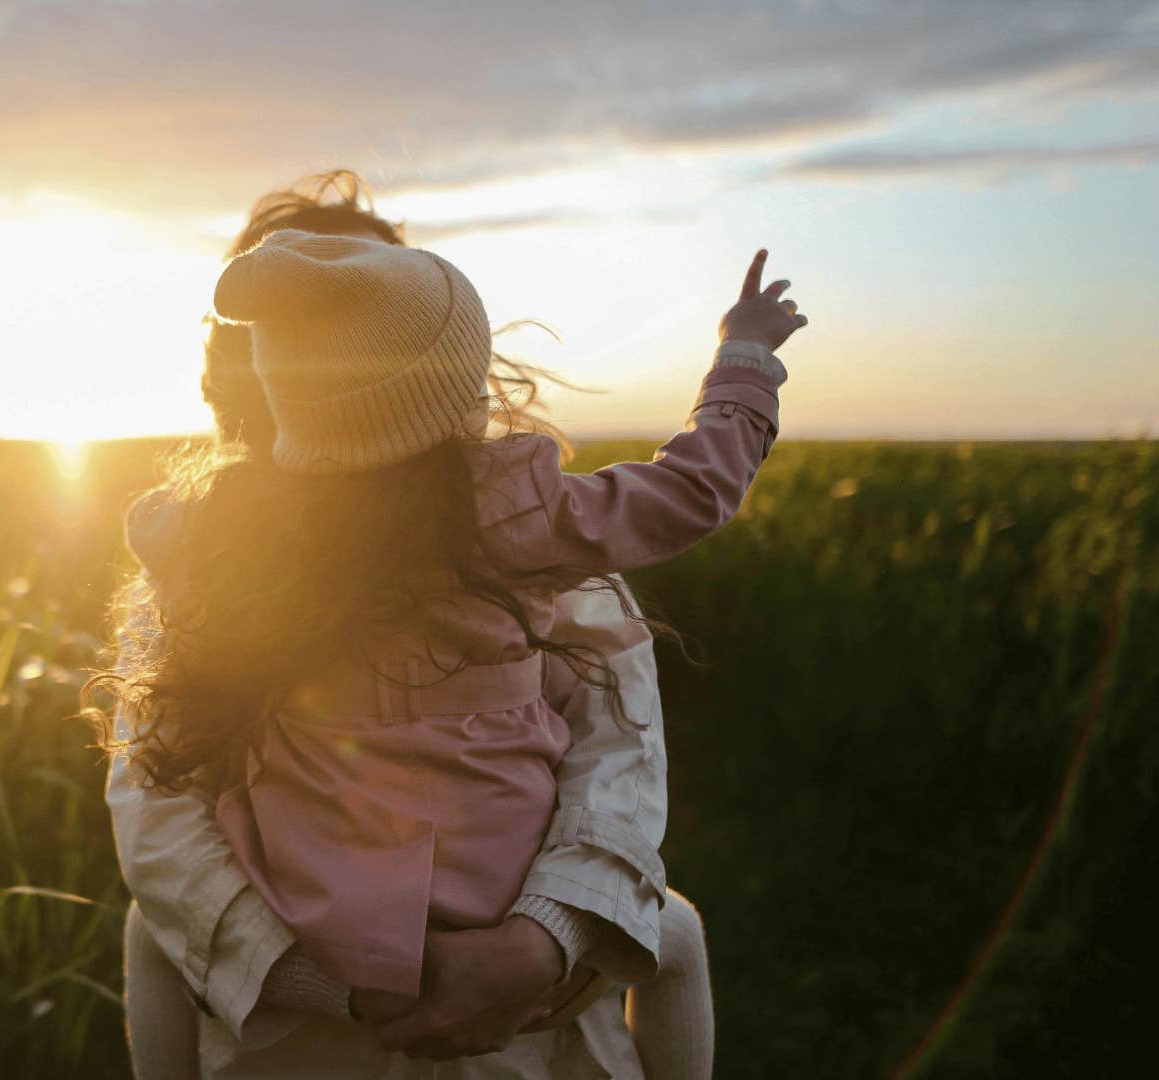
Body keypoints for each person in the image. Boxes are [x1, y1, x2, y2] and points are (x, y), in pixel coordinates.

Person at [99, 172, 799, 1076]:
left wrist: (532, 944)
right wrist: (744, 360)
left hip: (416, 967)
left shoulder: (214, 545)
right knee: (682, 934)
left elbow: (616, 760)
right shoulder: (526, 526)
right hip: (397, 974)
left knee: (144, 931)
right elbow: (694, 489)